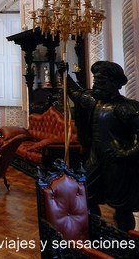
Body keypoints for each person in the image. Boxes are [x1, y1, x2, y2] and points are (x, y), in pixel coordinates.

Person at [62, 60, 139, 231]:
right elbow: (76, 93)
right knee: (86, 194)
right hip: (95, 158)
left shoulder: (128, 107)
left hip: (117, 162)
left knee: (121, 206)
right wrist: (65, 74)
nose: (96, 84)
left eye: (101, 81)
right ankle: (97, 230)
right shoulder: (93, 101)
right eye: (95, 80)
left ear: (114, 83)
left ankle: (125, 240)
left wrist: (125, 154)